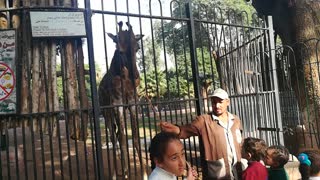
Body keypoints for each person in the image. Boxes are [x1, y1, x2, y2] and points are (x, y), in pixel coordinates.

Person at [160, 88, 243, 179]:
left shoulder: (235, 120)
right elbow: (186, 130)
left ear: (227, 102)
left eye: (220, 102)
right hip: (217, 174)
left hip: (237, 171)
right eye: (214, 102)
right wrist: (175, 129)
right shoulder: (204, 121)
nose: (217, 105)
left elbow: (240, 143)